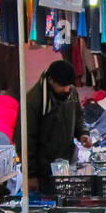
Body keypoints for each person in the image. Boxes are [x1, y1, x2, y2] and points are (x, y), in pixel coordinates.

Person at [16, 60, 91, 190]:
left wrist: (82, 133)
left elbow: (78, 115)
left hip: (66, 164)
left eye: (69, 85)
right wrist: (31, 175)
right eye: (62, 86)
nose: (66, 89)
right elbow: (26, 139)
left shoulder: (71, 92)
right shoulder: (33, 101)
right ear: (51, 81)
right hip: (43, 170)